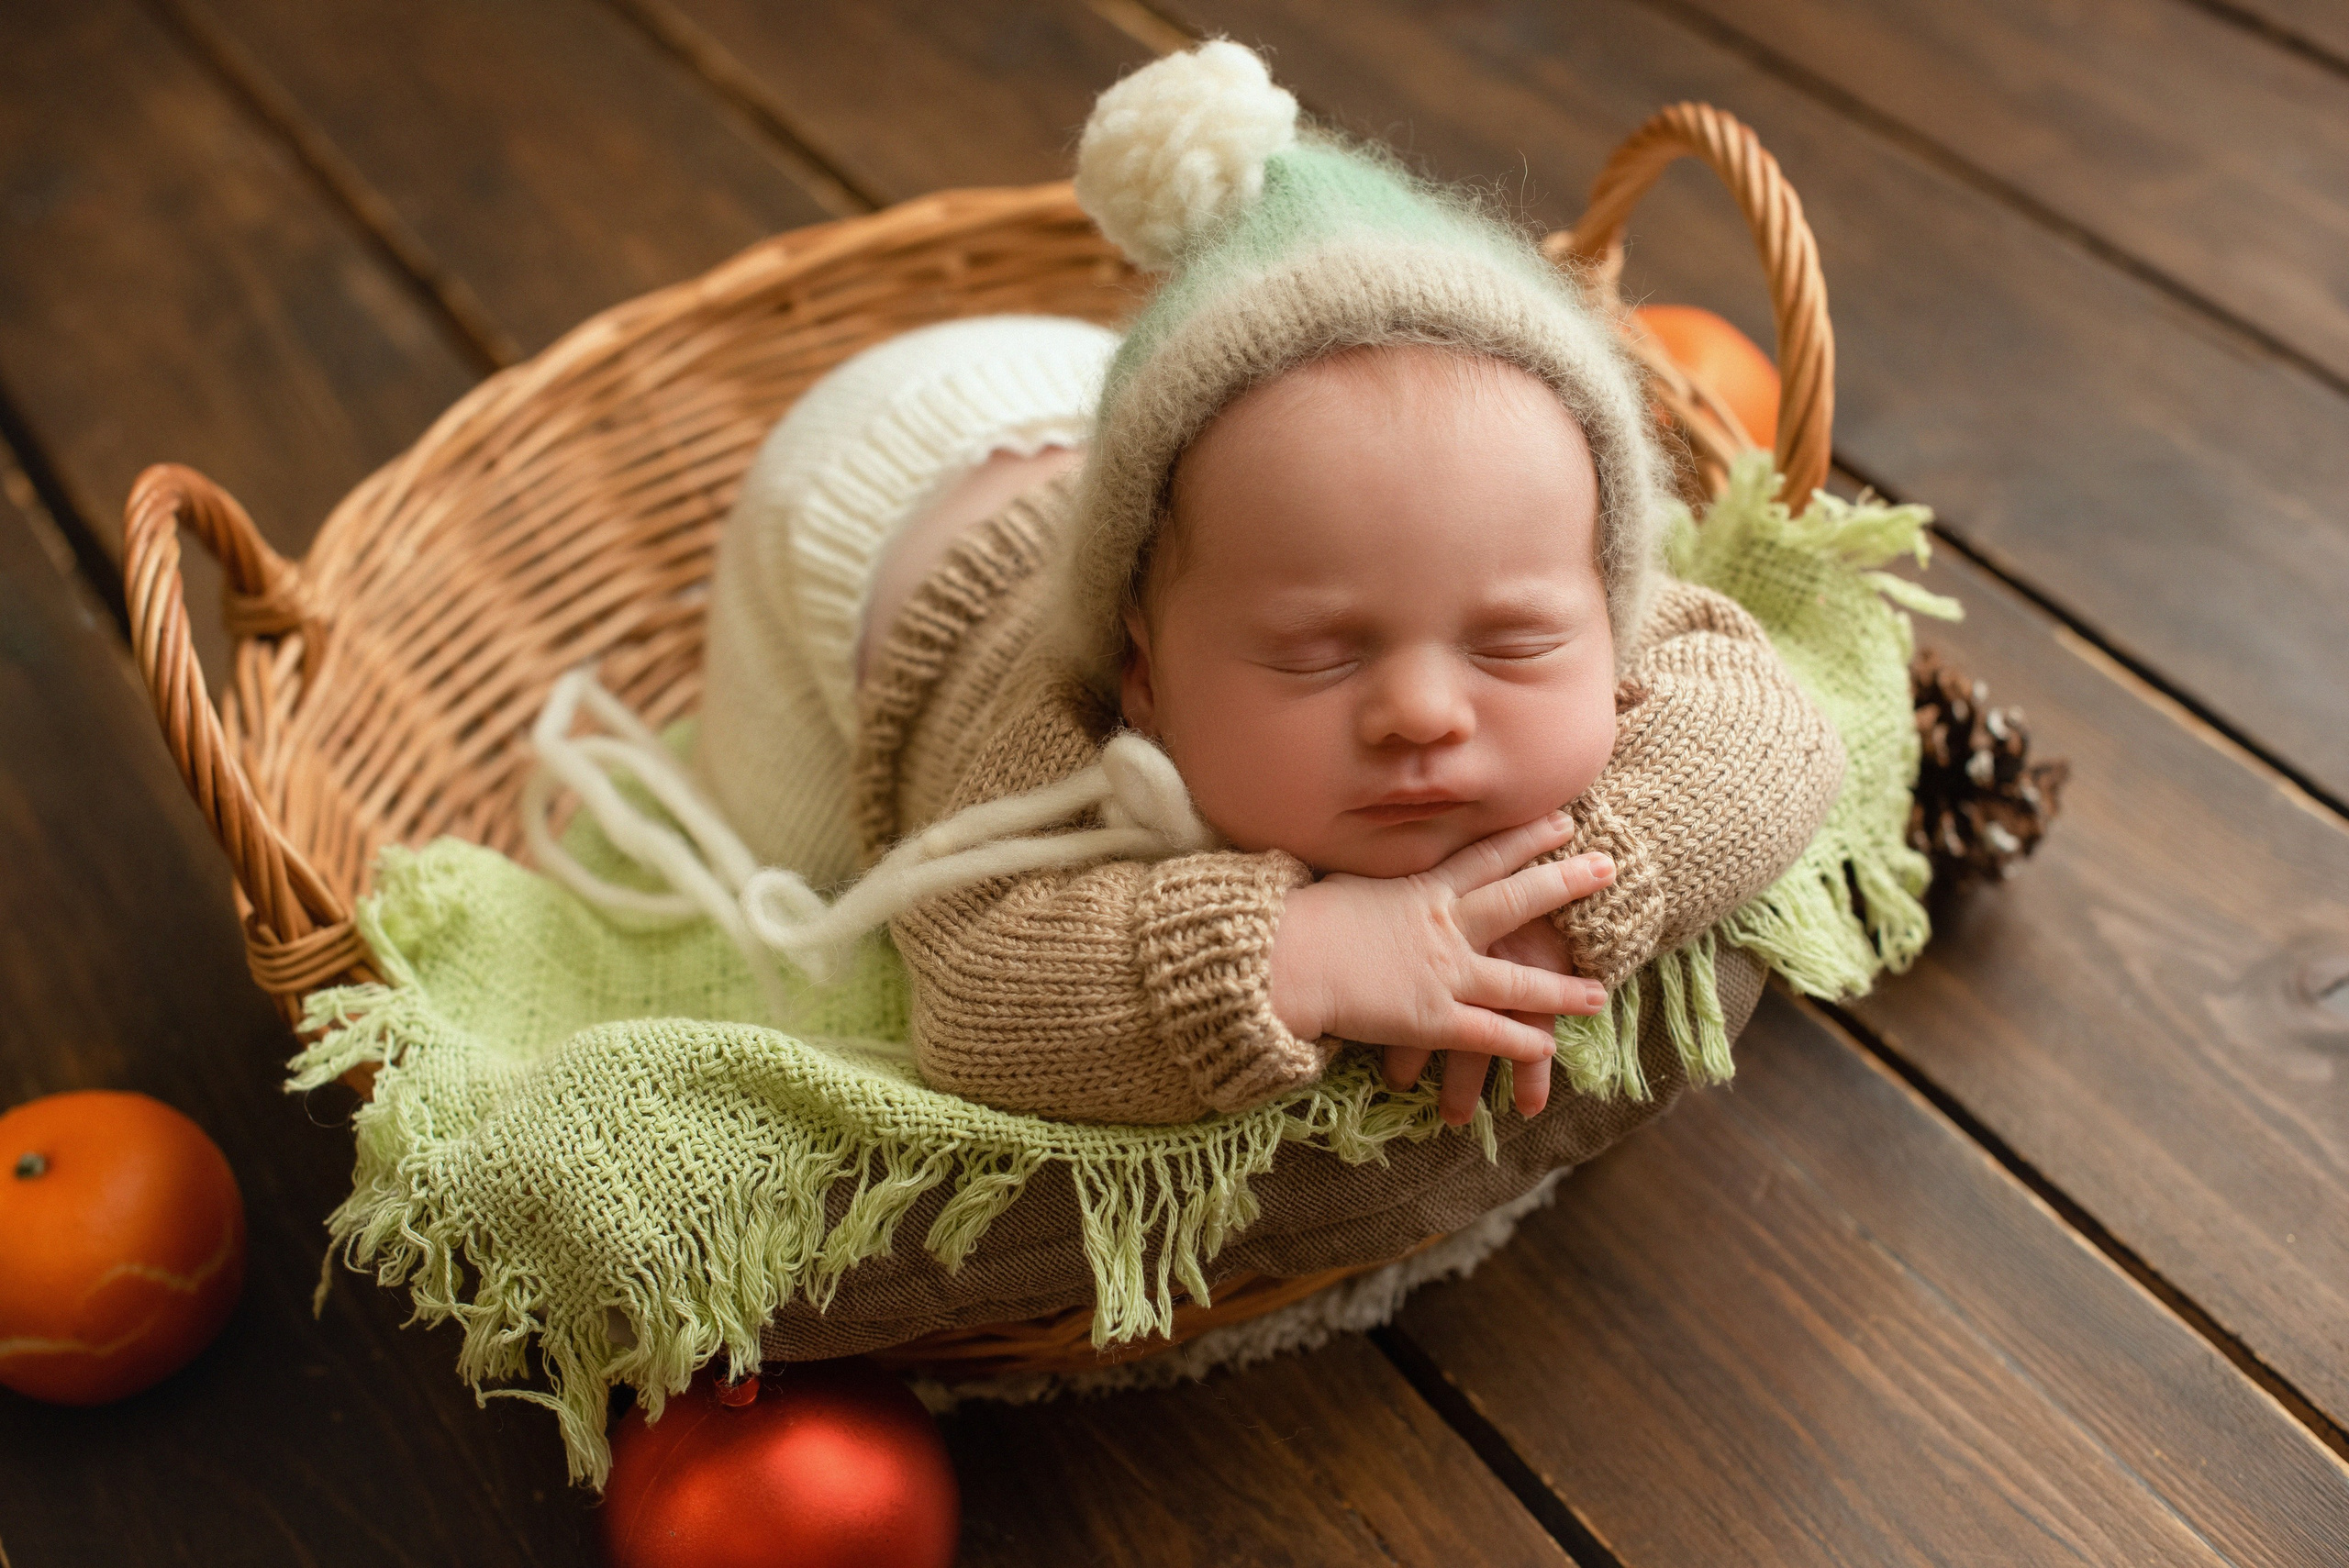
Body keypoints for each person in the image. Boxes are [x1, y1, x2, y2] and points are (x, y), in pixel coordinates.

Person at [690, 41, 1843, 1127]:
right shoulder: (1066, 738)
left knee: (1266, 506)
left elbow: (1772, 727)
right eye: (1320, 654)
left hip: (1107, 420)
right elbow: (974, 996)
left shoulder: (1532, 559)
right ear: (1145, 676)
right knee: (780, 881)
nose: (1423, 713)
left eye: (1509, 645)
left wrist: (1578, 894)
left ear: (1604, 609)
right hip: (854, 503)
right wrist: (1300, 953)